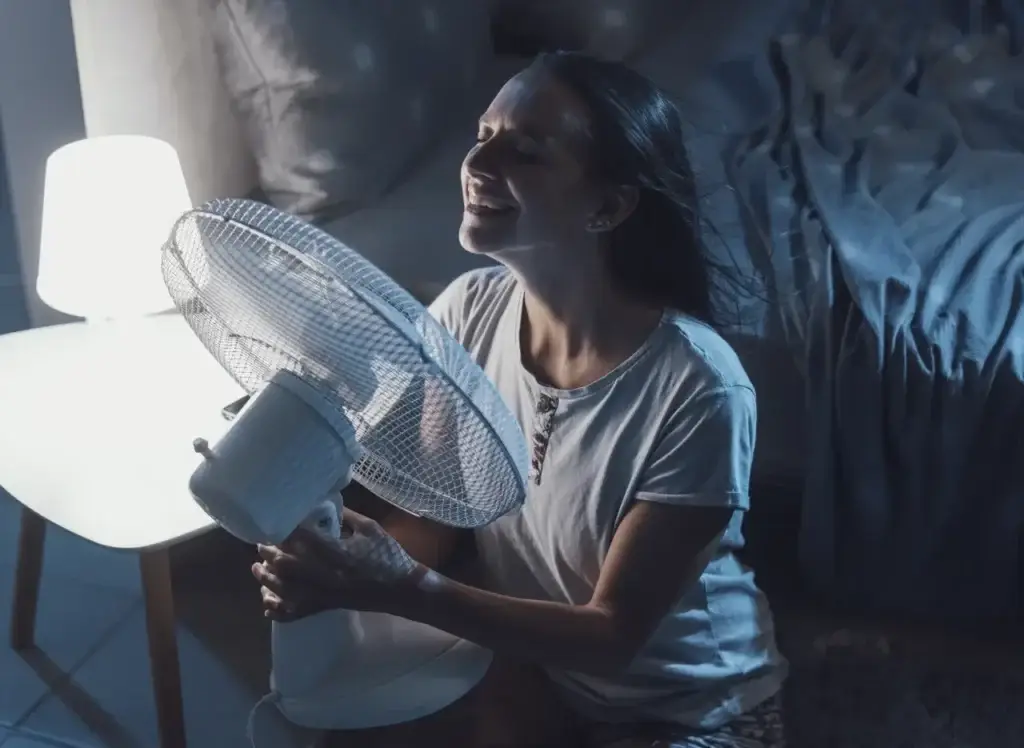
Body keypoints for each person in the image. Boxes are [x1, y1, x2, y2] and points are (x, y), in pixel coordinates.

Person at [253, 51, 788, 748]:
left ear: (609, 205)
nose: (478, 163)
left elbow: (612, 637)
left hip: (690, 708)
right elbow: (440, 524)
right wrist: (336, 556)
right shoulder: (467, 315)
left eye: (526, 151)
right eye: (483, 135)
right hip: (539, 672)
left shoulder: (698, 389)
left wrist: (397, 587)